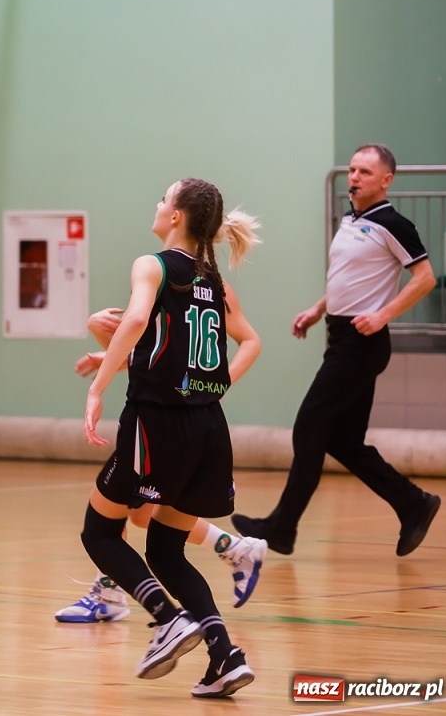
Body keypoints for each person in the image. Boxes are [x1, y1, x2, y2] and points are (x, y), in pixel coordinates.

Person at [78, 179, 263, 698]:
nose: (157, 204)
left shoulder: (153, 264)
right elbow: (248, 343)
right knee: (165, 548)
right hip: (208, 429)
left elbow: (136, 319)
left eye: (164, 198)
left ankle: (166, 618)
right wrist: (210, 385)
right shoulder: (214, 281)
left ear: (178, 216)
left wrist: (98, 386)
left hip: (156, 426)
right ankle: (225, 656)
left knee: (99, 532)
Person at [233, 144, 440, 557]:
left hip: (363, 344)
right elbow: (347, 280)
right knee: (344, 442)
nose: (355, 178)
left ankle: (281, 527)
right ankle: (413, 504)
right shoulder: (350, 220)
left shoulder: (393, 224)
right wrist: (316, 308)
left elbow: (425, 278)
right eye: (352, 170)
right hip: (340, 336)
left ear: (386, 180)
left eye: (365, 171)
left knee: (309, 425)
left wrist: (383, 315)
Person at [54, 306, 267, 623]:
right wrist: (111, 353)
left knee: (112, 507)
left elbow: (248, 341)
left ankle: (113, 593)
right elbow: (156, 351)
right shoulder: (183, 280)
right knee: (141, 512)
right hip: (176, 418)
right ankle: (233, 549)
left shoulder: (171, 274)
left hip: (167, 422)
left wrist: (214, 387)